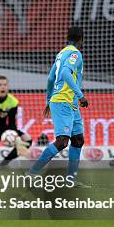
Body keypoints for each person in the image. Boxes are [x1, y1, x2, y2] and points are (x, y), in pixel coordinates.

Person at [28, 27, 89, 185]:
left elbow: (50, 78)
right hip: (63, 100)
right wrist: (81, 95)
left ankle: (71, 180)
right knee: (62, 141)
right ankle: (32, 172)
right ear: (80, 39)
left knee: (78, 140)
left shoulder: (61, 53)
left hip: (69, 103)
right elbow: (65, 74)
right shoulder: (76, 54)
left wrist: (48, 100)